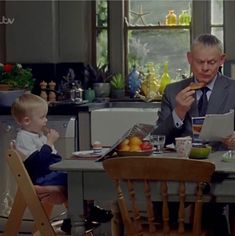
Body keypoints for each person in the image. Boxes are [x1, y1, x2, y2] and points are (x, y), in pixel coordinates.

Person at [152, 33, 235, 236]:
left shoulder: (233, 89)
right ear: (190, 59)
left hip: (222, 173)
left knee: (214, 214)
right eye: (199, 62)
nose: (205, 68)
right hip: (180, 174)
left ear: (222, 60)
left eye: (212, 62)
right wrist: (178, 112)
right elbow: (157, 139)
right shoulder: (173, 92)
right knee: (160, 207)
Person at [11, 93, 112, 234]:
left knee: (77, 177)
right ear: (27, 120)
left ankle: (86, 211)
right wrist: (50, 142)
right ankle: (75, 218)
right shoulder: (23, 138)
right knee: (74, 180)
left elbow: (54, 157)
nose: (45, 121)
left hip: (50, 173)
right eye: (42, 117)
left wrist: (50, 145)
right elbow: (38, 162)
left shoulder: (37, 135)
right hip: (42, 177)